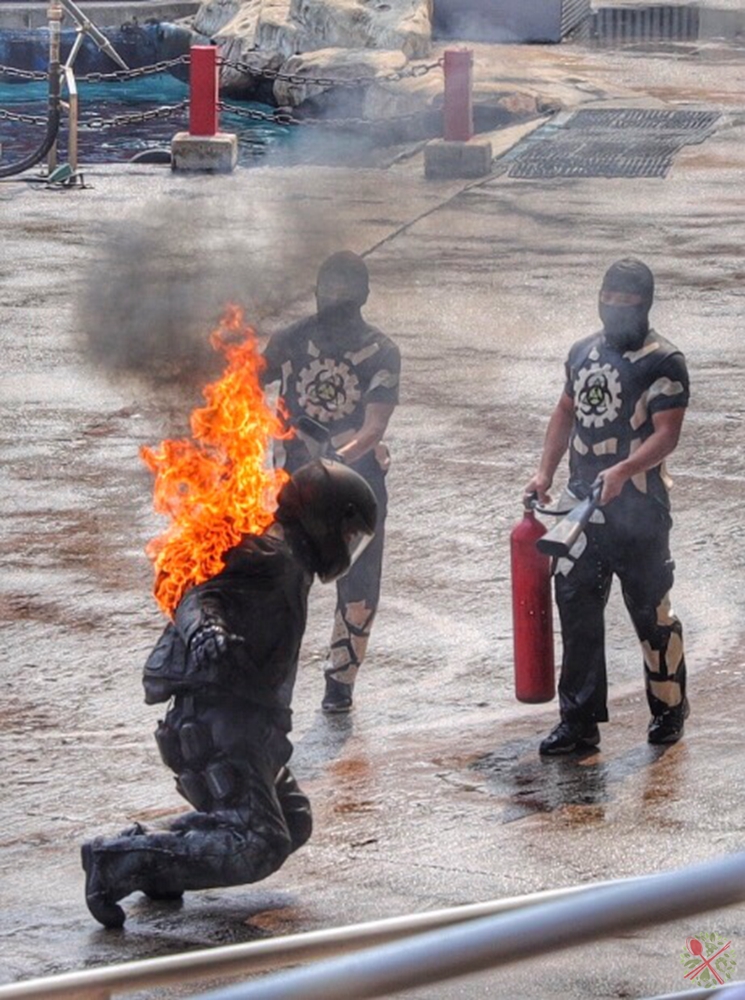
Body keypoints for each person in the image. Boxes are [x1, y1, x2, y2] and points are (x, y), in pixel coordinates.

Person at [81, 459, 377, 928]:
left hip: (251, 725)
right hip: (218, 724)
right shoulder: (268, 553)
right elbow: (195, 593)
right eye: (346, 534)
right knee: (260, 843)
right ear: (323, 518)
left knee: (292, 820)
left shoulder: (291, 561)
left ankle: (157, 863)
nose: (346, 547)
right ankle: (118, 860)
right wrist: (206, 633)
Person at [525, 258, 690, 756]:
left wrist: (621, 471)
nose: (616, 308)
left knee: (651, 612)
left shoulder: (664, 362)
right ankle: (578, 722)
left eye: (627, 300)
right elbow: (565, 412)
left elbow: (667, 435)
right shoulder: (582, 353)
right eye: (609, 297)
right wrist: (544, 472)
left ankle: (668, 706)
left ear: (644, 304)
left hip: (639, 509)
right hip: (583, 510)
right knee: (575, 605)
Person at [261, 251, 401, 714]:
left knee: (358, 590)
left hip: (352, 491)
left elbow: (374, 426)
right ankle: (276, 688)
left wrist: (341, 457)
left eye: (343, 292)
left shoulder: (381, 351)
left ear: (361, 297)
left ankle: (340, 686)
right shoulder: (290, 340)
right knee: (281, 586)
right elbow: (241, 382)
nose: (334, 299)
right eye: (329, 289)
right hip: (293, 490)